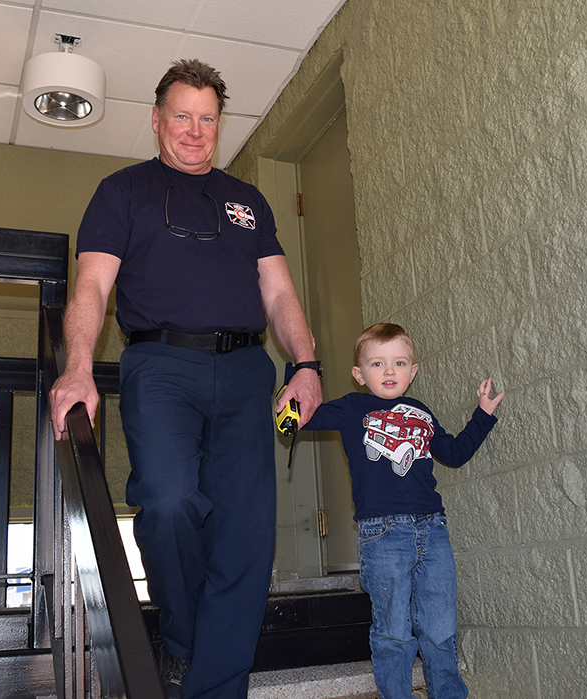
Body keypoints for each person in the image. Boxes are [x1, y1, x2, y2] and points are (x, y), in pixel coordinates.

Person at [48, 59, 323, 699]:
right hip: (160, 366)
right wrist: (78, 366)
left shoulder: (248, 201)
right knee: (169, 503)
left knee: (245, 531)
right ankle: (181, 638)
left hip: (247, 370)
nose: (195, 131)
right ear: (156, 120)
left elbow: (280, 294)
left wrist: (305, 365)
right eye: (182, 116)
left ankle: (213, 686)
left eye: (207, 119)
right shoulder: (123, 192)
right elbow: (90, 284)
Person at [300, 322, 502, 699]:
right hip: (383, 533)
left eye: (399, 362)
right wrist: (300, 366)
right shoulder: (351, 408)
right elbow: (298, 415)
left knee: (441, 627)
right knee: (393, 630)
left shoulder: (421, 412)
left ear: (413, 371)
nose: (389, 371)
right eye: (377, 364)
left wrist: (483, 415)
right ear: (359, 375)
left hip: (433, 529)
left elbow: (454, 453)